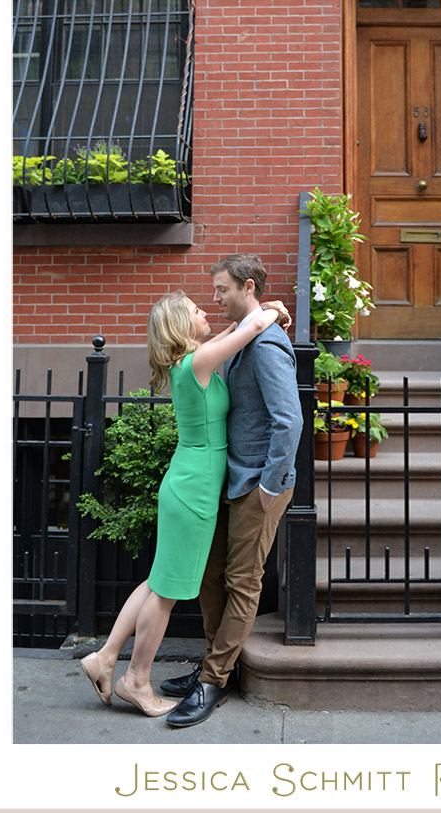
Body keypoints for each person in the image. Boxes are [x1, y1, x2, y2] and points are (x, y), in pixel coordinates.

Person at [79, 291, 280, 716]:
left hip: (187, 483)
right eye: (195, 311)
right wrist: (271, 311)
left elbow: (232, 333)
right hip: (196, 491)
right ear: (181, 327)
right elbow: (253, 328)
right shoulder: (198, 364)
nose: (205, 312)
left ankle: (105, 657)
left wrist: (245, 322)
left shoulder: (189, 363)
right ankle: (136, 680)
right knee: (167, 593)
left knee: (158, 581)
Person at [162, 254, 302, 728]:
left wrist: (271, 484)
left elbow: (290, 420)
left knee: (243, 582)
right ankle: (212, 664)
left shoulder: (266, 344)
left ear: (246, 286)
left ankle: (215, 680)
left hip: (257, 484)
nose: (215, 298)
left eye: (221, 290)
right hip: (229, 478)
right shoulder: (246, 334)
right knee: (209, 575)